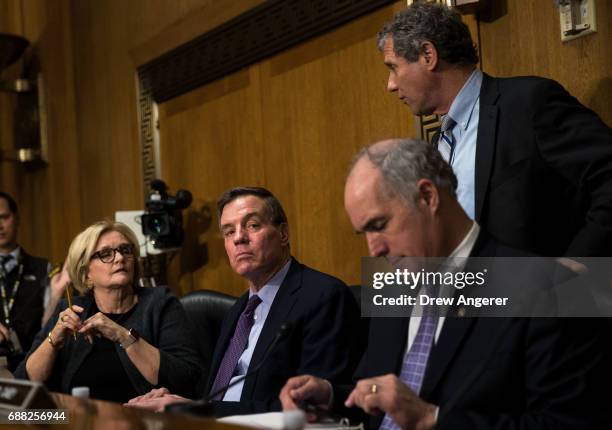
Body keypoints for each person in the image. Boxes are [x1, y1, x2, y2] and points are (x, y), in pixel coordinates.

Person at [280, 139, 606, 429]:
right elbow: (384, 395)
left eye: (379, 225)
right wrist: (332, 398)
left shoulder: (552, 287)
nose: (373, 249)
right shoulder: (392, 289)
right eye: (364, 232)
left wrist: (432, 420)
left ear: (427, 196)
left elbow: (569, 422)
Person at [377, 3, 612, 257]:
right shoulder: (437, 144)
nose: (390, 85)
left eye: (393, 67)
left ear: (427, 55)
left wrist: (580, 266)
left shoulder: (529, 104)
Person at [127, 186, 361, 416]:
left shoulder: (321, 296)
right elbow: (218, 396)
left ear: (283, 234)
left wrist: (198, 410)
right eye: (228, 232)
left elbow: (312, 408)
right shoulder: (239, 310)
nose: (239, 238)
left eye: (252, 225)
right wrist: (170, 402)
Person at [14, 220, 202, 404]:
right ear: (86, 272)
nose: (120, 258)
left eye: (125, 250)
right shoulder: (71, 310)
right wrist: (53, 340)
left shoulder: (159, 302)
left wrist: (122, 335)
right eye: (106, 254)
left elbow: (187, 379)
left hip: (141, 421)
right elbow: (22, 384)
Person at [0, 191, 57, 369]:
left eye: (4, 217)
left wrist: (57, 295)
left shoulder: (43, 268)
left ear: (16, 219)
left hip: (32, 363)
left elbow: (48, 326)